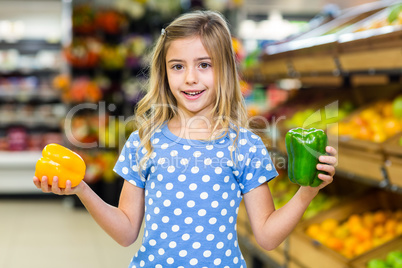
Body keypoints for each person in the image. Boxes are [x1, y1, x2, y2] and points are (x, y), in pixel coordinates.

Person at [33, 10, 337, 268]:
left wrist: (306, 193)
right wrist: (82, 189)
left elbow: (268, 237)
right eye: (178, 66)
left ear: (225, 72)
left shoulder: (244, 146)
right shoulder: (144, 141)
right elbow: (126, 232)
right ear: (164, 73)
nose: (190, 77)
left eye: (204, 65)